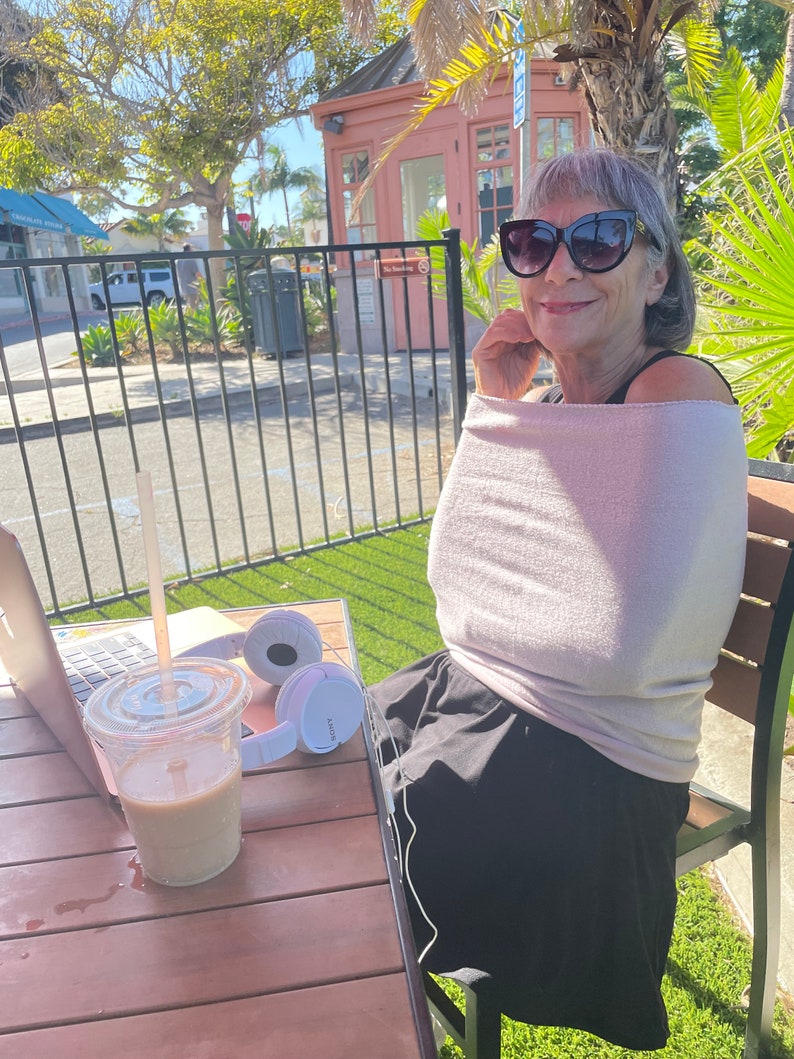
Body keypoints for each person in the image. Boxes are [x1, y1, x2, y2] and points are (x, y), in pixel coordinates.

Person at [371, 148, 748, 1051]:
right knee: (333, 772)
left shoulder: (674, 388)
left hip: (592, 769)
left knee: (356, 848)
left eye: (600, 239)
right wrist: (494, 405)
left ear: (658, 268)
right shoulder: (540, 395)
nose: (562, 267)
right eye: (534, 241)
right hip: (485, 699)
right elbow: (454, 588)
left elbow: (612, 646)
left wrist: (505, 619)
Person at [176, 242, 203, 308]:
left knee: (188, 306)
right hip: (192, 288)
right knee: (194, 307)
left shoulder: (178, 261)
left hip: (183, 287)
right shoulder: (191, 260)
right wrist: (203, 282)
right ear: (189, 249)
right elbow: (197, 274)